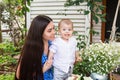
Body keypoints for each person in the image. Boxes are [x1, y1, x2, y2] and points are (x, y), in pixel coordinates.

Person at [15, 15, 55, 80]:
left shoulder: (53, 45)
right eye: (49, 30)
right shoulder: (31, 50)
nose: (54, 32)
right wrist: (43, 69)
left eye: (54, 28)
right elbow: (19, 75)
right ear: (39, 32)